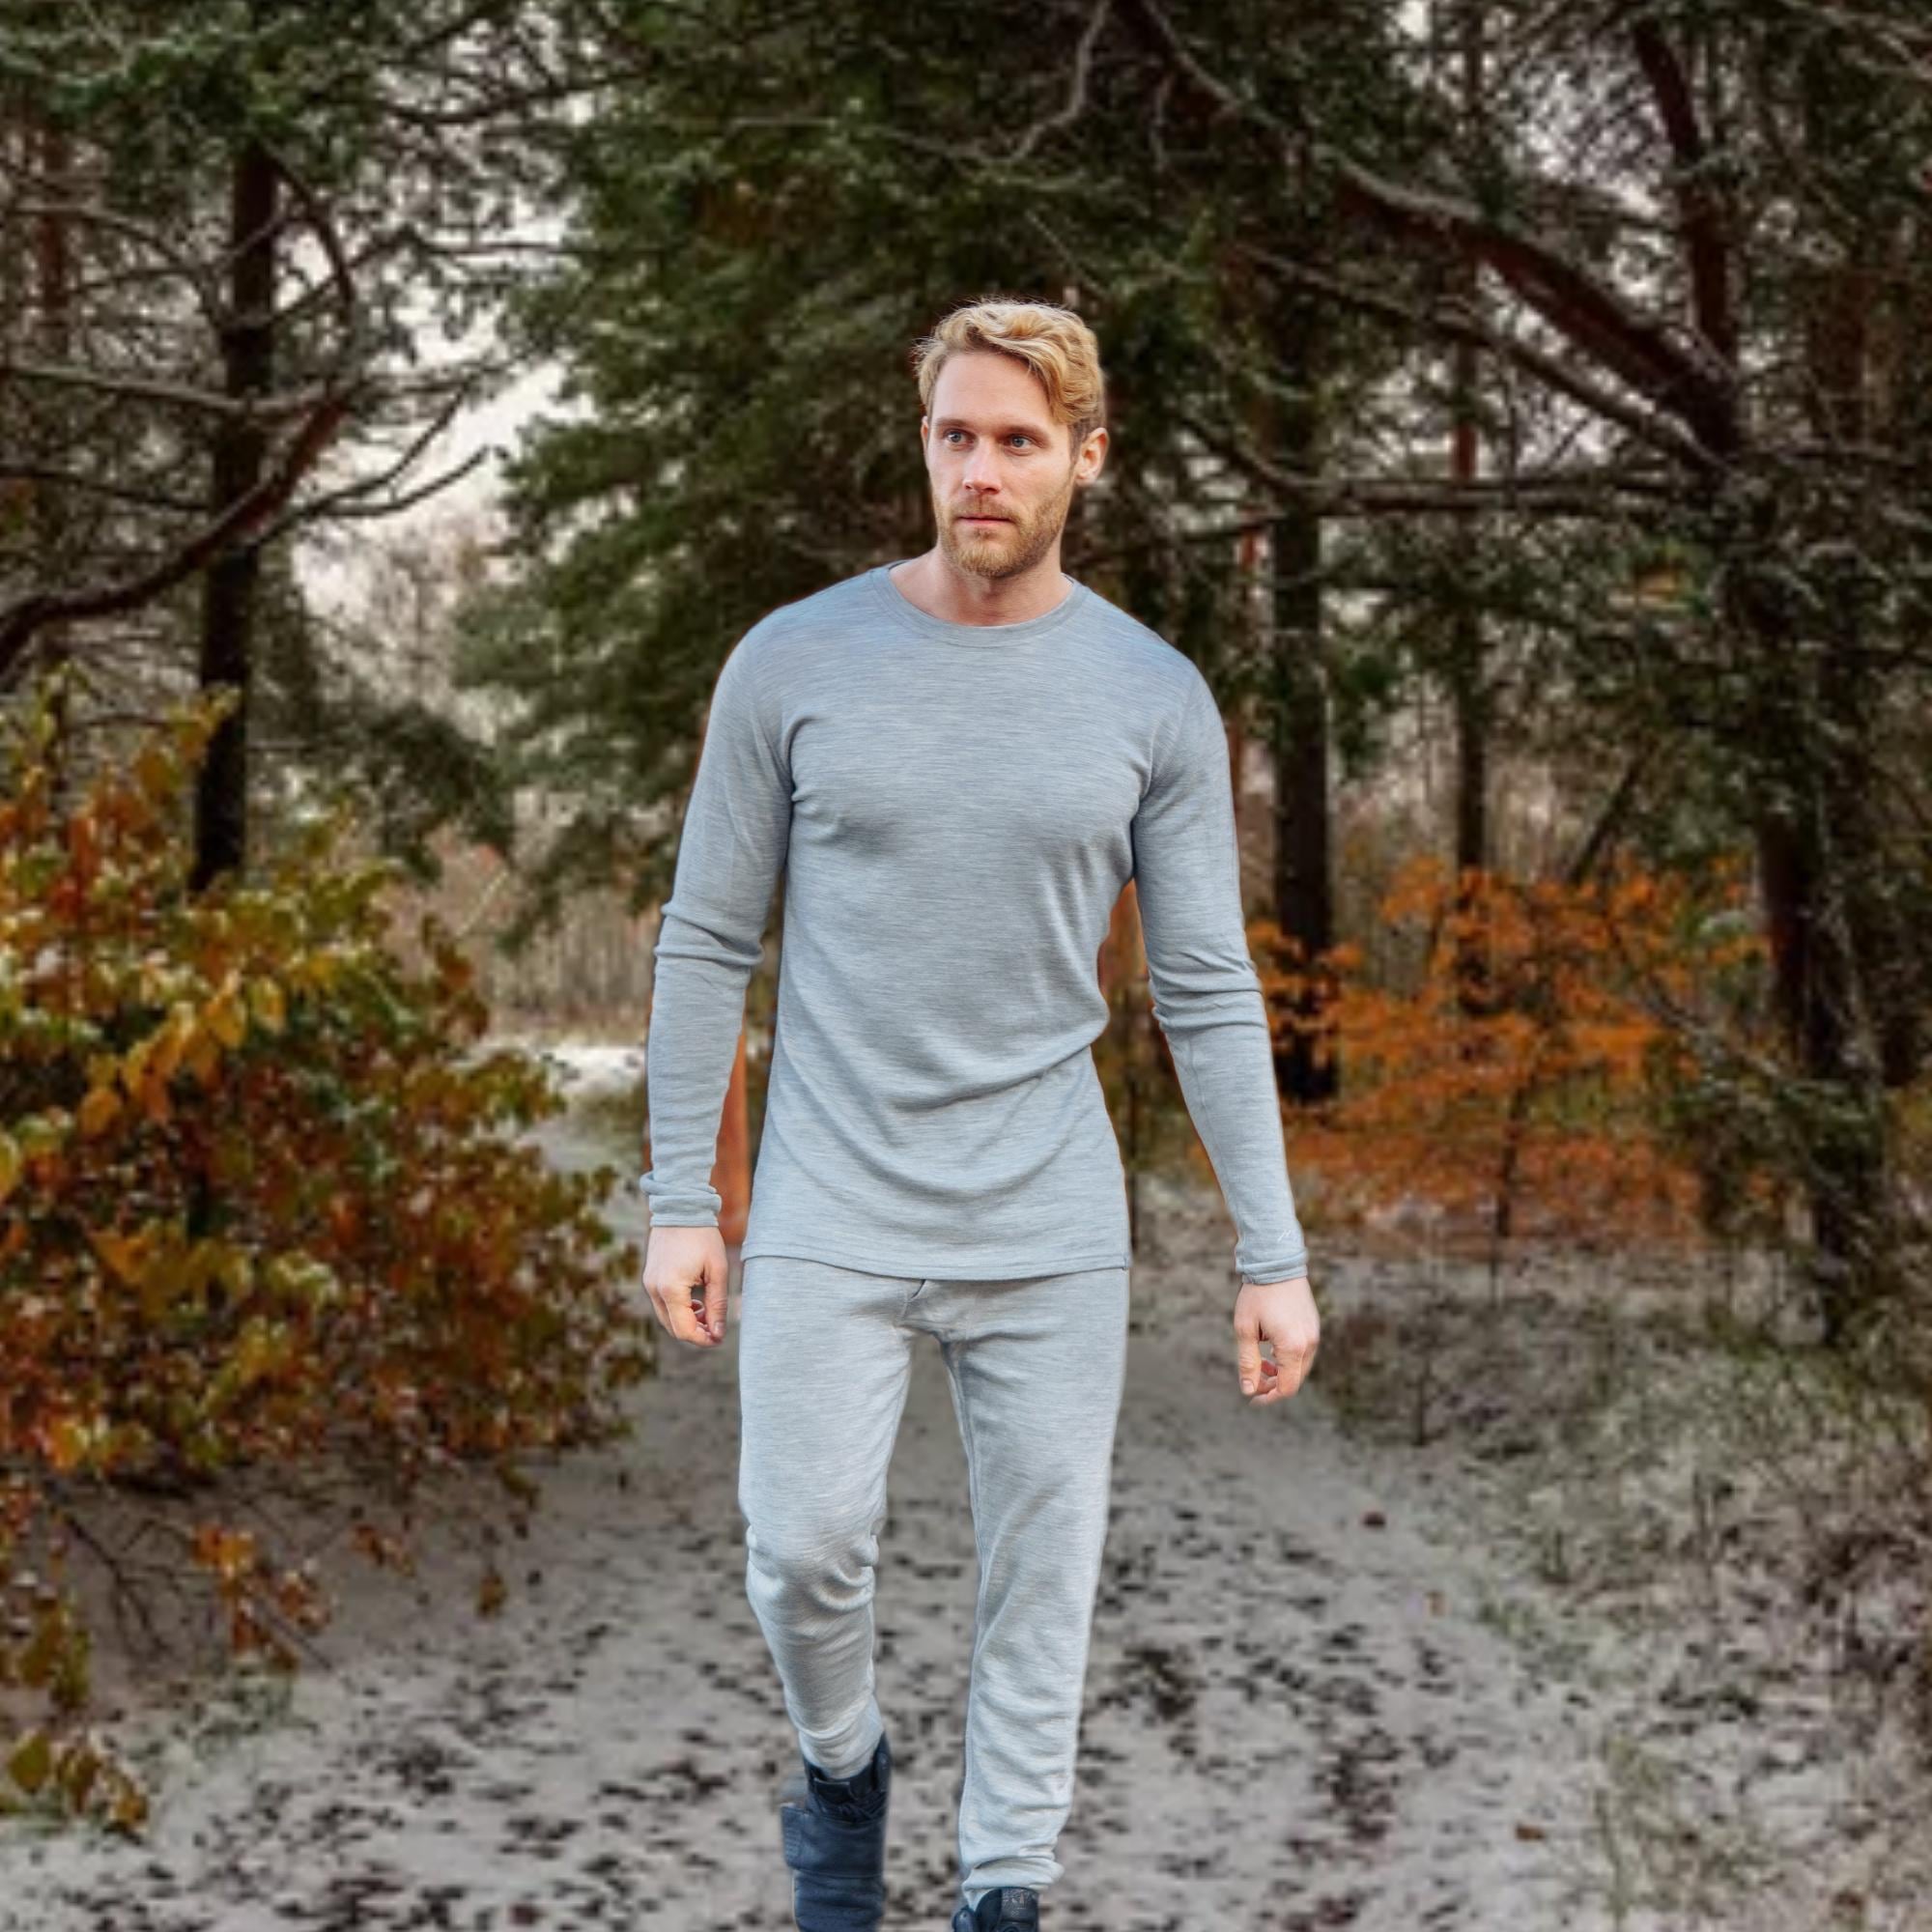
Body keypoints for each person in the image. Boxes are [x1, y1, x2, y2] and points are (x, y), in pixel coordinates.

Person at [636, 298, 1320, 1932]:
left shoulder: (1151, 696)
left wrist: (1271, 1249)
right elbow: (708, 938)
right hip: (831, 1198)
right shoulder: (792, 662)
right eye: (957, 435)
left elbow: (1205, 987)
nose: (983, 471)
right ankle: (844, 1769)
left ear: (1089, 456)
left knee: (1042, 1579)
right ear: (925, 442)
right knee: (801, 1552)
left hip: (1045, 1213)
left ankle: (1003, 1889)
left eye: (1020, 440)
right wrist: (681, 1199)